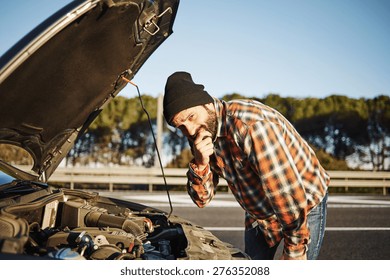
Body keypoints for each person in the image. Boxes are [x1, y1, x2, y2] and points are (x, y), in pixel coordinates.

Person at [163, 71, 330, 260]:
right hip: (259, 212)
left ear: (207, 103)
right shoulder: (199, 133)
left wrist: (295, 249)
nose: (190, 130)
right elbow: (202, 199)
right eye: (181, 127)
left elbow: (285, 193)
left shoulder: (251, 125)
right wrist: (201, 163)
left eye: (191, 117)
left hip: (302, 203)